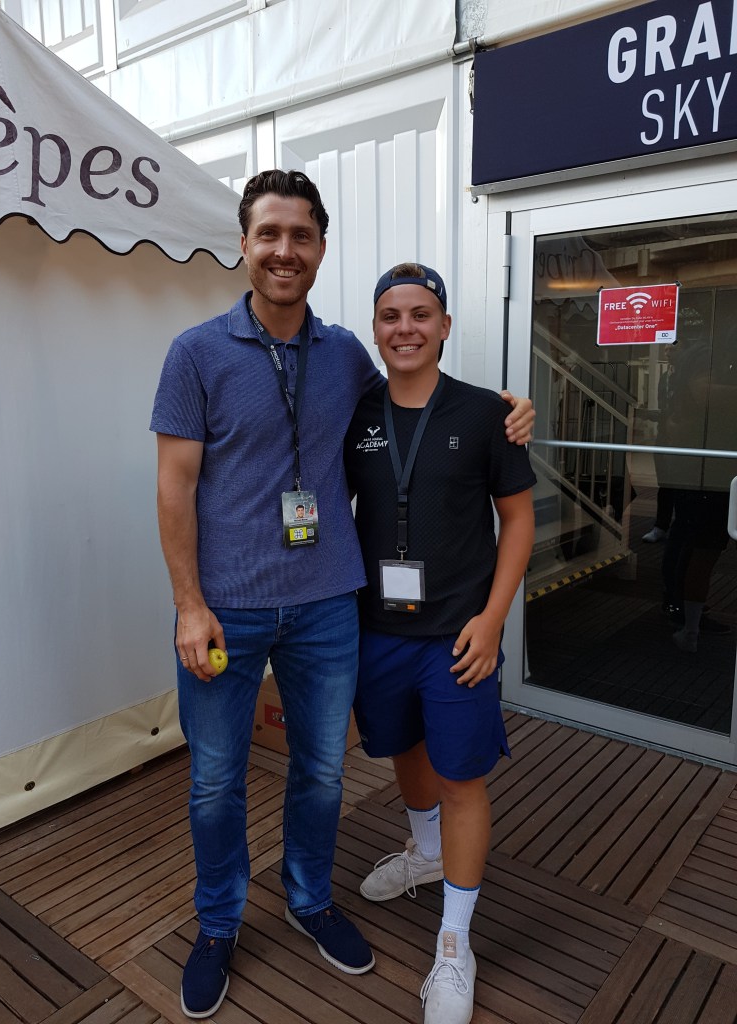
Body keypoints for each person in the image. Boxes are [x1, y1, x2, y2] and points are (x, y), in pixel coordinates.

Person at [150, 170, 534, 1019]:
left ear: (321, 248)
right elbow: (174, 488)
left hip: (330, 604)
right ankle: (218, 925)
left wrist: (506, 410)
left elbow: (415, 403)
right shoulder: (196, 353)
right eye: (269, 233)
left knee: (321, 772)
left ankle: (309, 897)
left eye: (301, 235)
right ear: (244, 245)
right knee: (216, 780)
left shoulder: (347, 356)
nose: (284, 250)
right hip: (226, 607)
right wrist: (189, 603)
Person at [344, 263, 536, 1024]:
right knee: (404, 750)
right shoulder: (355, 413)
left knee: (461, 778)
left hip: (459, 636)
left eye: (421, 314)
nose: (406, 328)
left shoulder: (488, 413)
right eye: (390, 316)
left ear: (445, 325)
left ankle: (455, 943)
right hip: (377, 631)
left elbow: (518, 521)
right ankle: (424, 851)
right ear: (375, 329)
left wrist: (493, 620)